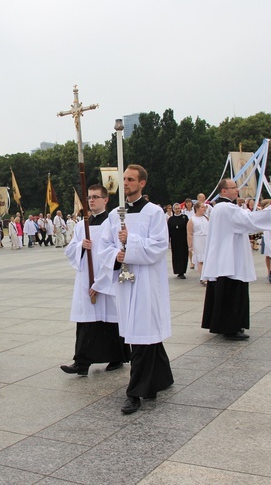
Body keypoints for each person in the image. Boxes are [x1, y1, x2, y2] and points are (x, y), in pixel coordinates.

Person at [99, 165, 174, 414]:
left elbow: (160, 246)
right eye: (124, 179)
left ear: (142, 183)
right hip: (125, 277)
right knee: (139, 330)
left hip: (146, 280)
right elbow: (105, 246)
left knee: (142, 331)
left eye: (131, 179)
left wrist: (131, 241)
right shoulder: (114, 215)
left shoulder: (154, 213)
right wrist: (117, 255)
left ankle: (136, 392)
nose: (126, 183)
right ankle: (162, 377)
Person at [200, 179, 271, 340]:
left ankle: (220, 324)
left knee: (222, 291)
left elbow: (246, 219)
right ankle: (230, 327)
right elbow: (249, 221)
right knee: (232, 291)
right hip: (231, 258)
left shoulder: (219, 207)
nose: (237, 190)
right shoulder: (227, 208)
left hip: (223, 255)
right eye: (233, 188)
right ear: (224, 191)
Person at [61, 185, 130, 376]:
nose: (91, 201)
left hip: (106, 279)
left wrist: (100, 282)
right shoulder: (82, 225)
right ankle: (81, 362)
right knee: (86, 320)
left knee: (110, 319)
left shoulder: (112, 223)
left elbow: (117, 252)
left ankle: (116, 357)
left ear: (106, 200)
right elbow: (70, 249)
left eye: (95, 197)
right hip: (85, 278)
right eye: (89, 197)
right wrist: (81, 247)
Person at [187, 201, 209, 285]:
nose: (204, 209)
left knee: (207, 258)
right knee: (200, 259)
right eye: (202, 207)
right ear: (197, 209)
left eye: (204, 207)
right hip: (198, 240)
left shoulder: (206, 218)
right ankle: (203, 277)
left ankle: (207, 275)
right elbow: (189, 233)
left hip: (206, 239)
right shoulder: (192, 220)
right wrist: (190, 245)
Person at [167, 203, 189, 279]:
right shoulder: (171, 219)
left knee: (183, 255)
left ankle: (182, 271)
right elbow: (168, 230)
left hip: (183, 240)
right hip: (175, 240)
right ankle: (177, 270)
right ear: (173, 210)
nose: (177, 210)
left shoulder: (184, 217)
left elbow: (188, 228)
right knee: (176, 255)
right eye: (176, 209)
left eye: (178, 208)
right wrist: (168, 240)